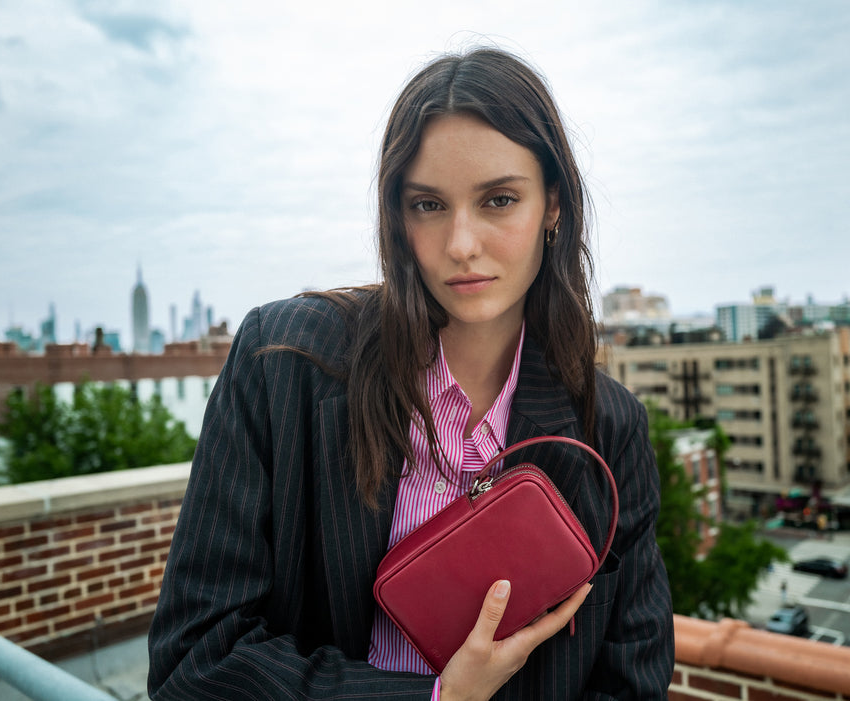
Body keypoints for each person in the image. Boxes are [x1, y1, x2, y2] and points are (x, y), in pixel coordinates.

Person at [147, 47, 674, 700]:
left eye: (499, 199)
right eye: (428, 204)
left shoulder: (608, 429)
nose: (460, 243)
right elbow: (193, 660)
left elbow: (630, 680)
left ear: (554, 205)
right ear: (398, 215)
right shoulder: (280, 364)